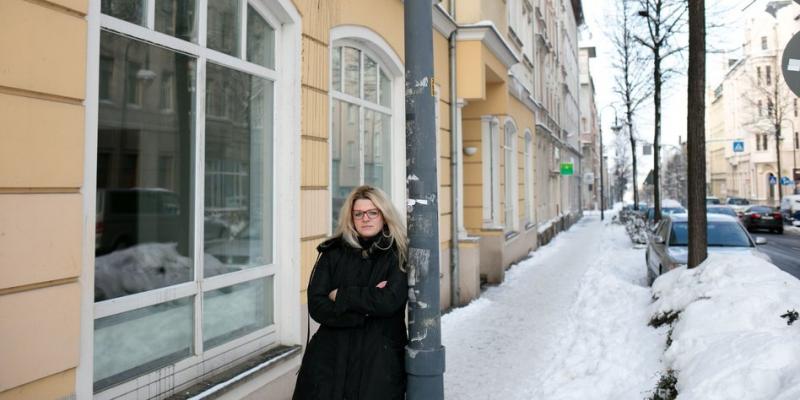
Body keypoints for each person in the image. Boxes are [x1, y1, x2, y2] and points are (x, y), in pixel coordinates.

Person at [293, 185, 409, 400]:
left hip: (378, 359)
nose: (365, 218)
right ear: (351, 217)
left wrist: (341, 296)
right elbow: (317, 306)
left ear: (384, 215)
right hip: (330, 358)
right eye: (359, 214)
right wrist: (364, 309)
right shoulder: (332, 252)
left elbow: (389, 300)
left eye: (372, 212)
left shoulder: (398, 252)